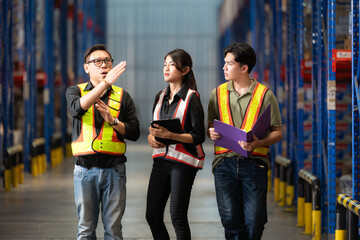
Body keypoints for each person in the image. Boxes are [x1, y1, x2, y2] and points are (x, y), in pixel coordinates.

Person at [207, 42, 283, 240]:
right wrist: (212, 133)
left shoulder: (266, 95)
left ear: (244, 68)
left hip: (254, 165)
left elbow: (278, 132)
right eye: (224, 63)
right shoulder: (217, 94)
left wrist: (256, 144)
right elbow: (210, 126)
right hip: (224, 164)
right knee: (231, 220)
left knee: (254, 221)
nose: (224, 67)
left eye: (229, 63)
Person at [66, 44, 140, 240]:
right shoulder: (75, 91)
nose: (103, 65)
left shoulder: (123, 96)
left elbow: (134, 132)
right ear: (86, 67)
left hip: (114, 171)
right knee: (85, 230)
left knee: (114, 230)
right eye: (97, 61)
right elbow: (76, 110)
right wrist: (104, 85)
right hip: (84, 171)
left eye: (107, 61)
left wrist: (113, 121)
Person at [146, 49, 205, 240]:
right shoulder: (159, 96)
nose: (166, 68)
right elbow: (154, 126)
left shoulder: (191, 97)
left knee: (177, 217)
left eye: (172, 64)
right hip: (160, 161)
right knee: (152, 216)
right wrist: (151, 137)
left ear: (185, 69)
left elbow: (198, 136)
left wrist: (170, 134)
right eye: (165, 64)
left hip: (183, 162)